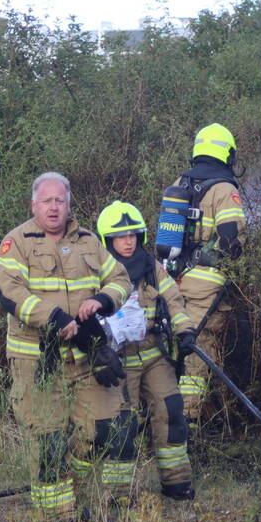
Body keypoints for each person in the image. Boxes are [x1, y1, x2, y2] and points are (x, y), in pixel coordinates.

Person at [0, 172, 136, 522]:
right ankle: (57, 520)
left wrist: (103, 300)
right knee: (50, 442)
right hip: (39, 360)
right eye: (47, 201)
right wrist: (53, 318)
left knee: (106, 430)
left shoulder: (88, 241)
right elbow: (9, 291)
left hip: (86, 356)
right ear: (34, 205)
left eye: (60, 200)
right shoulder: (17, 242)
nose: (54, 207)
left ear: (69, 204)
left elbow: (120, 279)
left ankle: (89, 496)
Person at [96, 201, 197, 501]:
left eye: (132, 235)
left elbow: (174, 300)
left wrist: (185, 331)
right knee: (122, 426)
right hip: (118, 361)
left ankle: (177, 483)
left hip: (154, 355)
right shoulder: (98, 272)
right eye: (120, 236)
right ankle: (119, 495)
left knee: (171, 412)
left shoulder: (151, 267)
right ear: (108, 240)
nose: (128, 242)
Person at [167, 123, 247, 429]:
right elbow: (231, 240)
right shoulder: (225, 189)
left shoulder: (180, 183)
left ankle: (164, 411)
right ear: (227, 154)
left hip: (173, 280)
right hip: (207, 284)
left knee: (174, 342)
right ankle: (188, 420)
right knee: (200, 346)